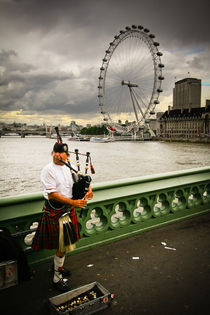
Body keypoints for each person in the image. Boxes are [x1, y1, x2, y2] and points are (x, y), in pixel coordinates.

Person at [32, 142, 93, 291]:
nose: (58, 155)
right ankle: (56, 279)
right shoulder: (48, 170)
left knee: (64, 245)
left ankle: (57, 267)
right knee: (63, 246)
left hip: (67, 210)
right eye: (55, 152)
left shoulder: (67, 168)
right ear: (52, 153)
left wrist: (89, 189)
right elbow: (52, 195)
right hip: (55, 211)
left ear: (67, 156)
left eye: (61, 153)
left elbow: (81, 179)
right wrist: (73, 202)